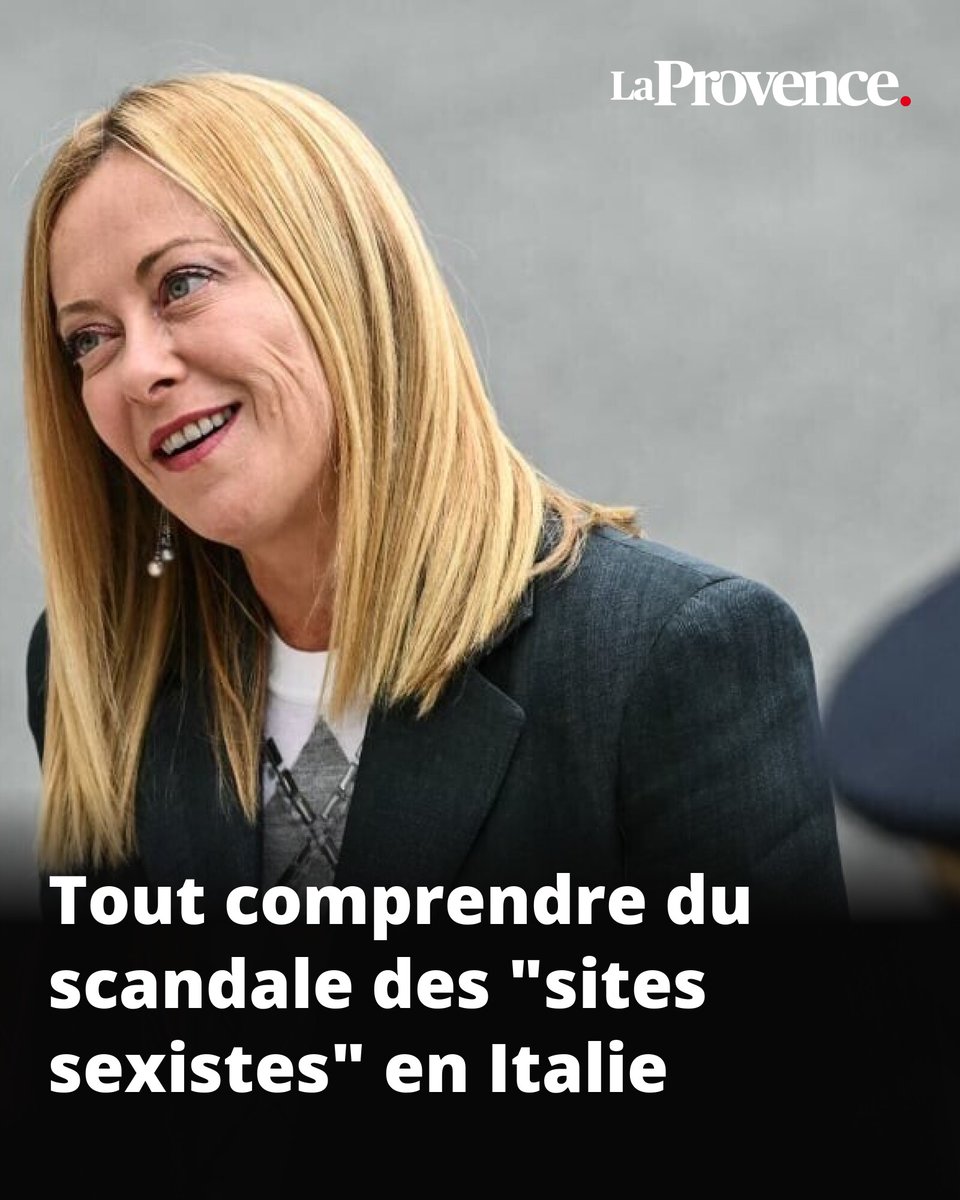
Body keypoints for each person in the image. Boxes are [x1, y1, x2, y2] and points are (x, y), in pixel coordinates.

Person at [23, 71, 846, 920]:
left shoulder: (669, 658)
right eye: (89, 338)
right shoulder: (98, 671)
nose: (138, 369)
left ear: (343, 275)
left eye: (183, 283)